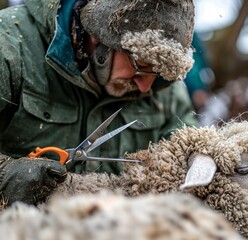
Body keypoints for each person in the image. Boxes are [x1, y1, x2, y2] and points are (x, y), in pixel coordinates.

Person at [0, 0, 198, 206]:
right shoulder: (9, 45)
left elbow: (188, 151)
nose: (145, 87)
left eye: (158, 72)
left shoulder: (163, 85)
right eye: (142, 65)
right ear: (98, 39)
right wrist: (6, 175)